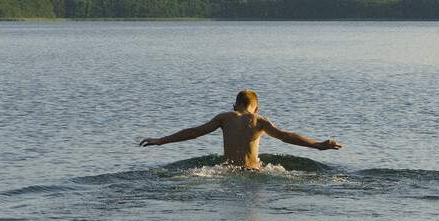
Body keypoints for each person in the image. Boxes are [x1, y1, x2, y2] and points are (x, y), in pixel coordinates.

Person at [138, 89, 340, 168]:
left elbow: (194, 132)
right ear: (256, 106)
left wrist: (160, 140)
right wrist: (318, 145)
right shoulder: (259, 120)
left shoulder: (224, 118)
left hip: (226, 170)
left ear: (235, 105)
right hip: (254, 171)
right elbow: (286, 136)